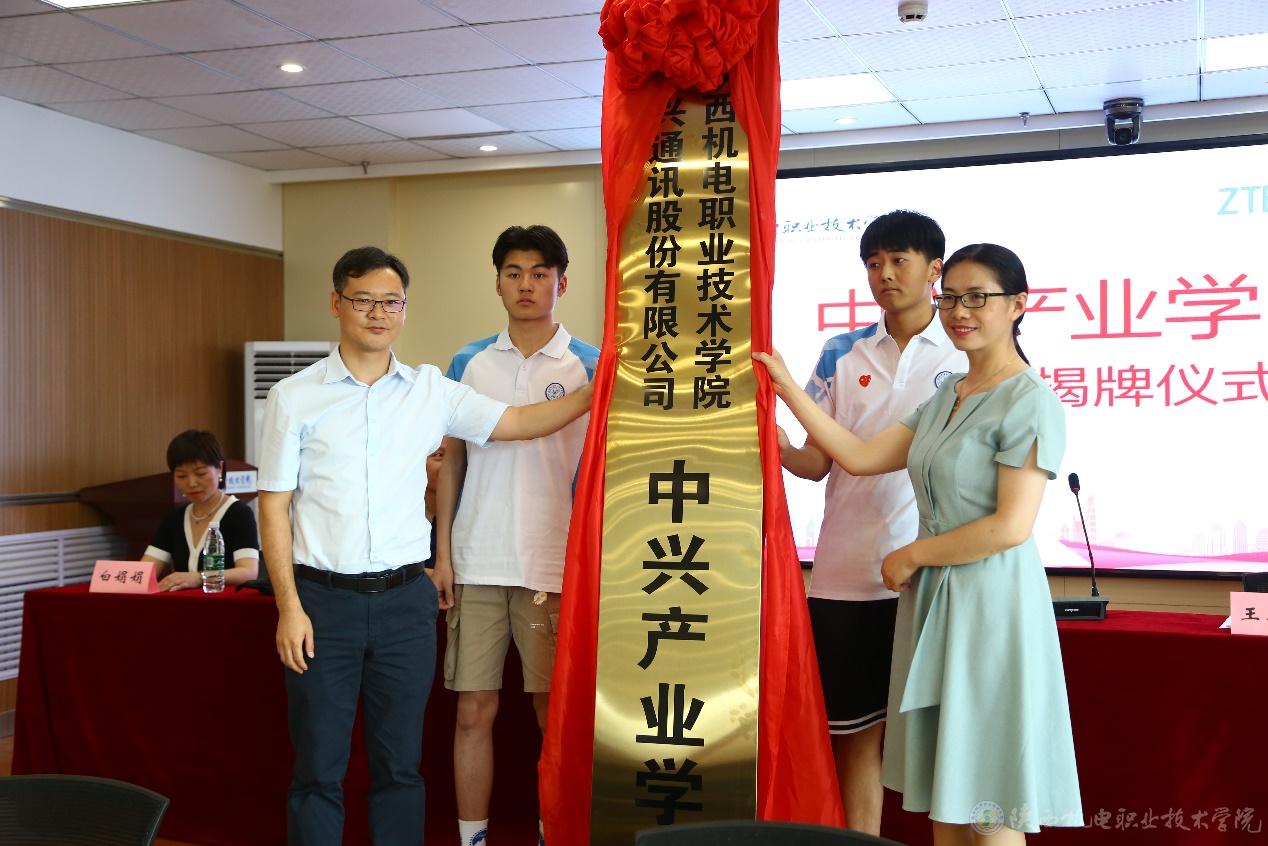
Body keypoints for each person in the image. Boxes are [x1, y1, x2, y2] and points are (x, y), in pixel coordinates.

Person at [256, 246, 594, 846]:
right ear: (337, 303)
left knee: (400, 768)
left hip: (404, 604)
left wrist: (599, 388)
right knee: (318, 769)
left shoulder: (431, 390)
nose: (377, 313)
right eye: (363, 300)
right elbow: (273, 506)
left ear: (405, 310)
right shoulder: (294, 396)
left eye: (391, 302)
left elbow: (518, 422)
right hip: (323, 604)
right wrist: (289, 606)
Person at [756, 243, 1081, 844]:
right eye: (951, 297)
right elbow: (858, 456)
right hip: (931, 601)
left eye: (977, 297)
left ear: (1018, 305)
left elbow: (1010, 527)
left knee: (986, 792)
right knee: (946, 790)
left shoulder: (1030, 399)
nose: (960, 311)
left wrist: (912, 554)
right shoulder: (950, 392)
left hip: (990, 603)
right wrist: (785, 387)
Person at [778, 210, 966, 834]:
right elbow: (816, 462)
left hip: (930, 578)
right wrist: (778, 447)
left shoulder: (969, 352)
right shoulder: (842, 351)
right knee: (855, 741)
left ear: (935, 270)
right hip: (844, 577)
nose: (884, 274)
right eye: (873, 263)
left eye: (899, 260)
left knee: (945, 741)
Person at [434, 225, 598, 846]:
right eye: (513, 273)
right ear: (498, 281)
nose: (526, 285)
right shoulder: (467, 362)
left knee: (553, 716)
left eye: (539, 273)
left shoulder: (591, 364)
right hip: (476, 559)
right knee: (472, 712)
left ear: (562, 282)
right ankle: (472, 838)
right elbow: (451, 462)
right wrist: (443, 553)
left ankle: (555, 833)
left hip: (555, 562)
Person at [142, 429, 259, 591]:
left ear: (219, 468)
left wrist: (199, 578)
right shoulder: (175, 519)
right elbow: (145, 571)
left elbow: (249, 572)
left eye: (200, 473)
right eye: (182, 476)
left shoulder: (239, 513)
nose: (191, 483)